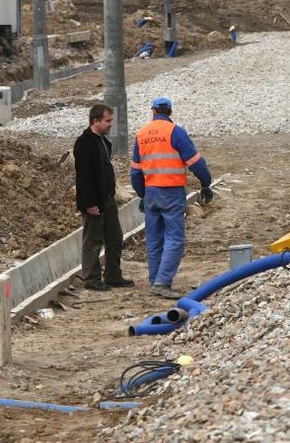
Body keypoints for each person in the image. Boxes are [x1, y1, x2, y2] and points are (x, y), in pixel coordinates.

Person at [131, 97, 214, 299]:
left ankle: (154, 279)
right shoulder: (175, 132)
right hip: (171, 192)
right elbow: (196, 162)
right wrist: (205, 183)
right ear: (169, 112)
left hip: (151, 192)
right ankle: (162, 282)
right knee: (174, 238)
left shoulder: (141, 134)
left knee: (154, 238)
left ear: (153, 111)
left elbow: (135, 172)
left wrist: (142, 195)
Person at [74, 103, 134, 291]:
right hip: (94, 202)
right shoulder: (85, 143)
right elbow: (84, 176)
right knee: (93, 240)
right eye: (107, 121)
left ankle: (113, 275)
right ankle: (91, 279)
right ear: (96, 121)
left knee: (115, 237)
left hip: (108, 199)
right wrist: (90, 203)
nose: (110, 125)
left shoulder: (102, 142)